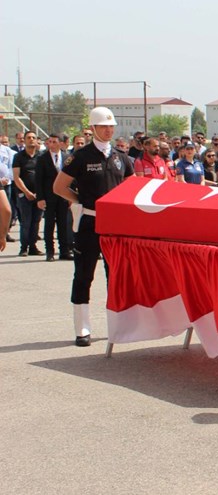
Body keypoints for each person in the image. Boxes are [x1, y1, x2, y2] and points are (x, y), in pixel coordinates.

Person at [54, 107, 135, 346]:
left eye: (111, 126)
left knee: (116, 276)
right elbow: (59, 187)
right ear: (92, 129)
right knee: (83, 275)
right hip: (90, 221)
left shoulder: (121, 157)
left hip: (115, 225)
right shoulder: (80, 156)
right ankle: (82, 330)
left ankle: (117, 327)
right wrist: (81, 201)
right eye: (103, 126)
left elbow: (130, 188)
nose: (108, 130)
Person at [35, 134, 72, 261]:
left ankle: (64, 251)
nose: (52, 144)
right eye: (49, 142)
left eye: (55, 141)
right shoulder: (42, 158)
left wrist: (71, 196)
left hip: (63, 197)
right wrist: (40, 198)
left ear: (61, 143)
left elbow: (71, 178)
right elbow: (38, 180)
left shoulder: (67, 157)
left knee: (63, 224)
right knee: (49, 224)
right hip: (48, 196)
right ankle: (49, 251)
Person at [11, 131, 43, 256]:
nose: (31, 140)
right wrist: (27, 192)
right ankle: (24, 247)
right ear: (24, 140)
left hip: (39, 195)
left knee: (36, 221)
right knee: (26, 222)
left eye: (33, 138)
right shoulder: (18, 157)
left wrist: (40, 194)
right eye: (28, 138)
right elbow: (16, 177)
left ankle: (33, 246)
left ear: (37, 140)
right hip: (24, 195)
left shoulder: (41, 157)